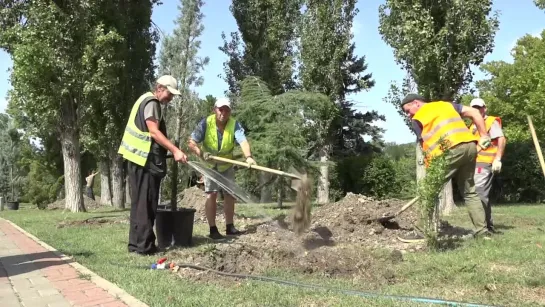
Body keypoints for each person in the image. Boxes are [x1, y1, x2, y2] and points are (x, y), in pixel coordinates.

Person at [398, 94, 492, 242]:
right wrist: (484, 136)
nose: (408, 115)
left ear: (416, 103)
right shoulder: (446, 104)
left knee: (428, 192)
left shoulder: (418, 119)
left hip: (449, 151)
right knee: (470, 192)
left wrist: (431, 173)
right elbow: (475, 113)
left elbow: (425, 147)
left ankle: (420, 231)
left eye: (407, 110)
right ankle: (482, 233)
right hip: (470, 146)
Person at [117, 75, 188, 255]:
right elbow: (154, 132)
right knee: (146, 204)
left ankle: (136, 245)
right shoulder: (152, 103)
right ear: (159, 88)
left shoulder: (143, 99)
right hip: (145, 162)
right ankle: (144, 247)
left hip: (137, 160)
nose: (170, 98)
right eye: (169, 93)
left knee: (139, 204)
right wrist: (175, 150)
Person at [188, 97, 256, 240]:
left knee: (230, 195)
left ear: (230, 112)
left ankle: (230, 227)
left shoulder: (234, 125)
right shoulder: (206, 123)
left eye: (227, 110)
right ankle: (213, 229)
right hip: (210, 165)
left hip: (226, 165)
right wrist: (201, 153)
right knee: (211, 195)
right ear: (215, 110)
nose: (223, 113)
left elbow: (243, 141)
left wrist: (248, 157)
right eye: (221, 109)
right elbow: (191, 142)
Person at [468, 98, 506, 233]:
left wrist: (498, 159)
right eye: (474, 108)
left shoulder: (490, 122)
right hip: (475, 163)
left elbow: (501, 139)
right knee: (481, 194)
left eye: (480, 107)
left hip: (485, 163)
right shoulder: (472, 125)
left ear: (485, 108)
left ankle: (482, 229)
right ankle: (487, 227)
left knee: (478, 194)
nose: (477, 110)